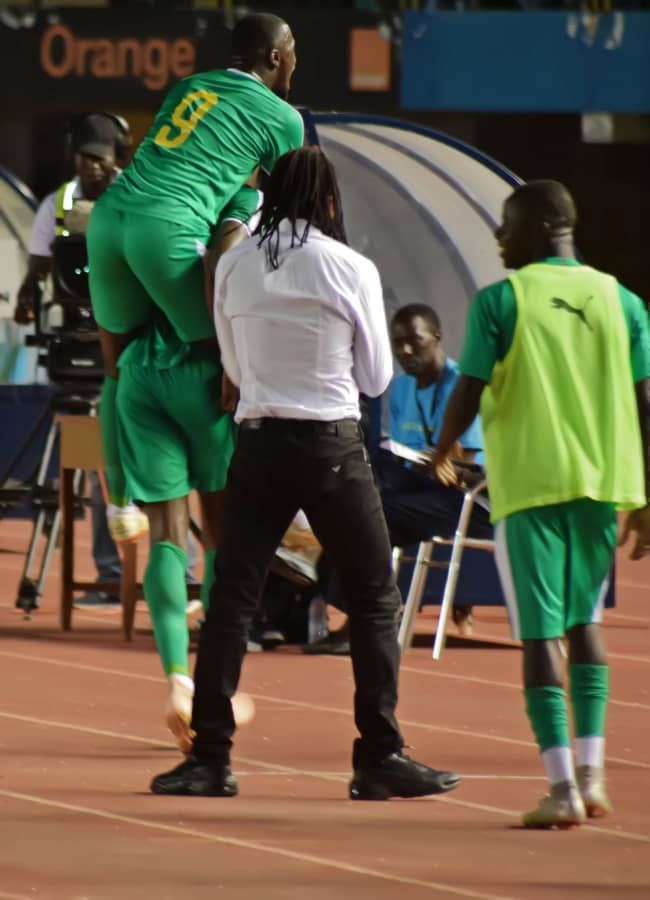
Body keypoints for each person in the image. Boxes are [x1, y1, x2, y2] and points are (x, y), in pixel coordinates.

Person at [150, 146, 461, 801]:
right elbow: (377, 377)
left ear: (267, 192)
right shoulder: (348, 265)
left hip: (258, 448)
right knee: (376, 598)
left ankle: (209, 758)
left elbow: (233, 368)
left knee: (232, 601)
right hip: (331, 449)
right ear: (327, 199)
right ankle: (378, 755)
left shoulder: (233, 263)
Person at [432, 179, 650, 828]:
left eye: (507, 225)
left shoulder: (502, 301)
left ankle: (560, 786)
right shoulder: (625, 302)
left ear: (544, 226)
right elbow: (644, 406)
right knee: (584, 627)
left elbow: (468, 390)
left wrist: (444, 449)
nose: (499, 237)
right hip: (601, 485)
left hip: (529, 486)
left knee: (538, 634)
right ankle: (592, 771)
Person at [86, 12, 303, 542]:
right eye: (294, 49)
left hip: (110, 218)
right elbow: (292, 209)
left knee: (116, 365)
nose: (297, 59)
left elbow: (189, 161)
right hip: (166, 231)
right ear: (276, 57)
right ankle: (264, 518)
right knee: (224, 365)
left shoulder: (189, 86)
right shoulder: (283, 119)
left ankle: (121, 506)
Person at [116, 183, 261, 751]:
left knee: (168, 537)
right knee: (224, 535)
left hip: (142, 368)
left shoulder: (144, 198)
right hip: (208, 374)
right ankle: (216, 690)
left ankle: (177, 677)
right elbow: (227, 255)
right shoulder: (241, 202)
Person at [304, 303, 496, 655]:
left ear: (437, 338)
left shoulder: (463, 386)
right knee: (350, 501)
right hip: (418, 486)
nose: (405, 351)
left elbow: (468, 470)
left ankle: (366, 621)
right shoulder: (403, 387)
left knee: (374, 516)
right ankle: (355, 611)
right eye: (398, 343)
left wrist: (433, 464)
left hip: (468, 500)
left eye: (415, 341)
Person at [13, 112, 145, 606]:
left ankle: (179, 571)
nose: (88, 168)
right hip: (75, 341)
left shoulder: (137, 194)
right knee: (91, 462)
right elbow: (40, 267)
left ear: (119, 159)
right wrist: (29, 295)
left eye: (98, 160)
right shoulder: (58, 203)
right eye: (81, 159)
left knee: (136, 462)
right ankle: (109, 573)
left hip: (128, 341)